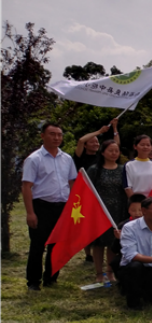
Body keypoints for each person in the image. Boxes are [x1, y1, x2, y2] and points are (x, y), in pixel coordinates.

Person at [22, 123, 78, 291]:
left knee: (57, 244)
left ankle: (51, 278)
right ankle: (33, 281)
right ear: (42, 136)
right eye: (52, 134)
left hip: (62, 207)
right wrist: (30, 213)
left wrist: (73, 206)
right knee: (38, 245)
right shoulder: (34, 159)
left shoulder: (67, 158)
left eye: (59, 135)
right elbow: (26, 186)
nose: (56, 138)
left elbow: (72, 182)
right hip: (41, 206)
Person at [86, 140, 127, 283]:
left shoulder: (123, 169)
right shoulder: (94, 170)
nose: (114, 153)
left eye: (116, 151)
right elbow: (87, 190)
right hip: (99, 211)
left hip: (118, 210)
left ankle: (110, 272)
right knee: (98, 243)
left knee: (112, 242)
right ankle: (99, 273)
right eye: (110, 150)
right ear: (103, 152)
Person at [110, 194, 146, 284]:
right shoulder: (123, 225)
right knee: (115, 262)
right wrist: (118, 239)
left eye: (140, 210)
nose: (137, 213)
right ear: (128, 210)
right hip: (127, 257)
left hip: (146, 256)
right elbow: (114, 249)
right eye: (133, 210)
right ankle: (124, 283)